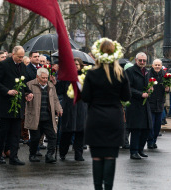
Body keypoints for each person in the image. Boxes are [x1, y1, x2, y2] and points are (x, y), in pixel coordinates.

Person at [82, 38, 131, 190]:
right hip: (114, 118)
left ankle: (98, 188)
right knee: (110, 155)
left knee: (96, 156)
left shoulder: (91, 74)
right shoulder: (121, 73)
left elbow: (86, 97)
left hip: (95, 118)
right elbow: (126, 97)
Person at [0, 46, 33, 165]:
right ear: (13, 54)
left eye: (22, 57)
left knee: (16, 132)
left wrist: (28, 92)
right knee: (3, 131)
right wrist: (7, 91)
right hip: (6, 103)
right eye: (19, 57)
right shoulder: (4, 64)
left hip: (18, 104)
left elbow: (24, 83)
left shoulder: (23, 66)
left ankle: (14, 156)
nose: (21, 59)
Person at [25, 68, 62, 163]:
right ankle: (32, 154)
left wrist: (59, 109)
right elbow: (24, 98)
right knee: (35, 138)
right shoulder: (30, 84)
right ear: (37, 77)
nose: (45, 80)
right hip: (35, 116)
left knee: (52, 136)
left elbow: (55, 99)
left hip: (48, 116)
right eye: (43, 78)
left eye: (46, 78)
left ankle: (49, 155)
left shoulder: (50, 85)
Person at [58, 57, 87, 161]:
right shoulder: (66, 77)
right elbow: (59, 90)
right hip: (69, 107)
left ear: (81, 66)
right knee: (67, 132)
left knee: (80, 131)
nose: (75, 66)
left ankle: (78, 154)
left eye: (77, 64)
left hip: (81, 107)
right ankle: (63, 152)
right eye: (73, 64)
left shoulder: (85, 77)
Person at [126, 52, 152, 160]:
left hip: (145, 105)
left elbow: (148, 84)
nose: (142, 62)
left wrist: (150, 89)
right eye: (140, 60)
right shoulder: (130, 71)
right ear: (136, 60)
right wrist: (140, 94)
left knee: (146, 128)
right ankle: (134, 151)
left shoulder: (146, 71)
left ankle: (141, 149)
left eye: (144, 61)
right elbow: (128, 88)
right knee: (136, 129)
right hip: (134, 104)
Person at [147, 59, 169, 149]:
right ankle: (150, 141)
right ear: (152, 65)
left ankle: (154, 140)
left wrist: (168, 88)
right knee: (151, 124)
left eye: (158, 65)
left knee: (158, 124)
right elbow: (144, 86)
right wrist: (148, 88)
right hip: (151, 102)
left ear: (161, 66)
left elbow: (168, 87)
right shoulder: (148, 74)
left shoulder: (165, 75)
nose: (157, 66)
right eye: (155, 65)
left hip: (160, 103)